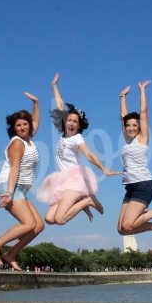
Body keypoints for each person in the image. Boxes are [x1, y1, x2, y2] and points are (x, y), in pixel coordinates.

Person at [36, 73, 120, 225]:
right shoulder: (64, 136)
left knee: (60, 219)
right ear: (65, 121)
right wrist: (54, 86)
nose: (72, 123)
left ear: (79, 125)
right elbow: (60, 106)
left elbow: (89, 154)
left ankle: (87, 200)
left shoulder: (77, 138)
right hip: (61, 182)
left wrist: (104, 168)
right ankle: (84, 202)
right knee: (49, 219)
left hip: (74, 182)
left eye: (75, 121)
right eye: (69, 120)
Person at [0, 92, 44, 271]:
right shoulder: (17, 143)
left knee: (38, 226)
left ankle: (11, 254)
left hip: (19, 189)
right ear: (14, 128)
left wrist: (36, 104)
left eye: (25, 124)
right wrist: (9, 192)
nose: (22, 127)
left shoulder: (29, 141)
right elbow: (14, 168)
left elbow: (35, 122)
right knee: (28, 224)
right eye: (18, 125)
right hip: (9, 185)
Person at [117, 80, 152, 243]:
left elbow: (144, 112)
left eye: (135, 125)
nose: (131, 128)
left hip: (143, 185)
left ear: (140, 127)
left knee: (128, 224)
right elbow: (123, 117)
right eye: (128, 125)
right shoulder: (127, 141)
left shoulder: (143, 139)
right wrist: (122, 97)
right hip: (130, 187)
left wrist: (142, 90)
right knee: (122, 230)